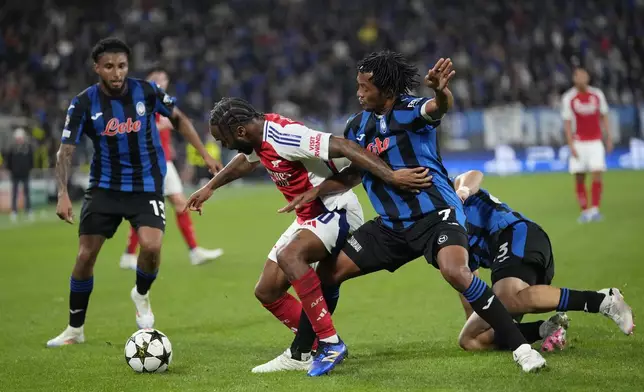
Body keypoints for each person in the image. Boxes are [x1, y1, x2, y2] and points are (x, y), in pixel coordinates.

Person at [265, 51, 547, 373]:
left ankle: (522, 349)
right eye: (357, 86)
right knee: (328, 273)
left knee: (456, 272)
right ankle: (306, 351)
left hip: (436, 215)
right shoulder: (357, 126)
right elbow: (355, 173)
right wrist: (316, 190)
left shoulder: (410, 110)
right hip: (390, 227)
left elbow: (436, 108)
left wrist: (440, 91)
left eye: (364, 87)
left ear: (386, 89)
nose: (358, 93)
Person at [185, 97, 431, 376]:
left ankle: (329, 342)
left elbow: (347, 146)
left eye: (221, 139)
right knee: (267, 290)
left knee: (289, 255)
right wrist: (211, 187)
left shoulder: (286, 135)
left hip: (335, 209)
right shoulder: (256, 136)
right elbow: (246, 161)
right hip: (309, 217)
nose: (222, 145)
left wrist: (392, 177)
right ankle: (307, 347)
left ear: (240, 132)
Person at [46, 37, 221, 348]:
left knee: (152, 248)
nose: (116, 73)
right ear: (97, 68)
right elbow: (66, 151)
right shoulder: (83, 103)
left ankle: (141, 294)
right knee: (86, 255)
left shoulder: (147, 91)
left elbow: (178, 119)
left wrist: (205, 155)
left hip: (146, 184)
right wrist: (62, 192)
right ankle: (75, 329)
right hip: (104, 188)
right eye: (109, 67)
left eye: (122, 66)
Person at [450, 170, 634, 351]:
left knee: (506, 299)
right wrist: (480, 322)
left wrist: (462, 191)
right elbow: (467, 284)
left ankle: (603, 301)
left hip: (516, 234)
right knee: (471, 338)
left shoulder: (448, 193)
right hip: (511, 260)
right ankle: (546, 329)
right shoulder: (443, 235)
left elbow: (473, 175)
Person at [119, 67, 224, 269]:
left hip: (164, 161)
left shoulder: (162, 102)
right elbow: (130, 128)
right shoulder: (140, 101)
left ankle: (194, 251)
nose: (161, 82)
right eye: (157, 79)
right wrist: (160, 126)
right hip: (148, 164)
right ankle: (129, 254)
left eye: (164, 79)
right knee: (146, 210)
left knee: (180, 203)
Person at [561, 67, 613, 223]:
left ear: (588, 77)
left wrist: (608, 136)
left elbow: (604, 116)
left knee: (597, 172)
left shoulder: (597, 95)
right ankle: (585, 211)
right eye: (579, 76)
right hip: (579, 142)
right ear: (574, 79)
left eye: (585, 75)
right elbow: (567, 123)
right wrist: (571, 144)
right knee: (579, 177)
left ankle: (595, 209)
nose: (583, 78)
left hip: (595, 141)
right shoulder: (569, 98)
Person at [4, 128, 34, 222]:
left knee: (27, 193)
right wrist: (11, 170)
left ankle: (28, 210)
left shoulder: (28, 148)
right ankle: (14, 211)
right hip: (15, 175)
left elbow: (31, 160)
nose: (19, 140)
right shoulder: (12, 149)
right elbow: (8, 161)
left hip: (25, 174)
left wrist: (29, 169)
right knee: (15, 194)